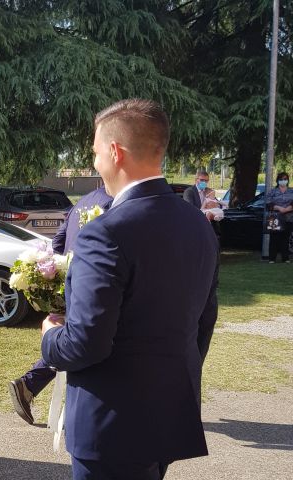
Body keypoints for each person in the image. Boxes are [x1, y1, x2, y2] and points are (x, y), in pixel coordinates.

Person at [41, 99, 219, 480]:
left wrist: (50, 336)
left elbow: (85, 343)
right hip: (168, 413)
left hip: (112, 425)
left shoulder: (105, 233)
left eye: (94, 153)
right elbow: (205, 321)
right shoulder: (198, 224)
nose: (94, 164)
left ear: (114, 152)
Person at [8, 186, 112, 424]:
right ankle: (31, 385)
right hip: (90, 284)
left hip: (69, 281)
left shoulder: (83, 200)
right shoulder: (114, 204)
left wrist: (58, 274)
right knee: (80, 342)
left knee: (70, 339)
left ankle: (29, 385)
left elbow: (59, 240)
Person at [265, 171, 293, 263]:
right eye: (281, 179)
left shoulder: (291, 191)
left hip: (288, 217)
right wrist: (278, 207)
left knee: (285, 238)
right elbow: (268, 203)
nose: (283, 181)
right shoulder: (273, 191)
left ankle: (285, 258)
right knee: (274, 238)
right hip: (275, 217)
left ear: (287, 180)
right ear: (278, 181)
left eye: (285, 179)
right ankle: (272, 258)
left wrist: (287, 209)